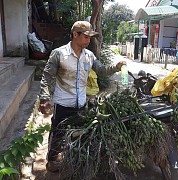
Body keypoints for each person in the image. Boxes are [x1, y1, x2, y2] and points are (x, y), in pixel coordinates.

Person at [39, 20, 126, 172]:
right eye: (86, 37)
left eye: (90, 37)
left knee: (78, 135)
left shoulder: (89, 56)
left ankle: (72, 161)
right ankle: (52, 161)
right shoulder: (59, 54)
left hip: (81, 104)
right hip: (62, 104)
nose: (88, 40)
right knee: (58, 134)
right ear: (75, 35)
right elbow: (47, 77)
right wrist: (45, 98)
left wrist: (116, 67)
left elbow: (102, 70)